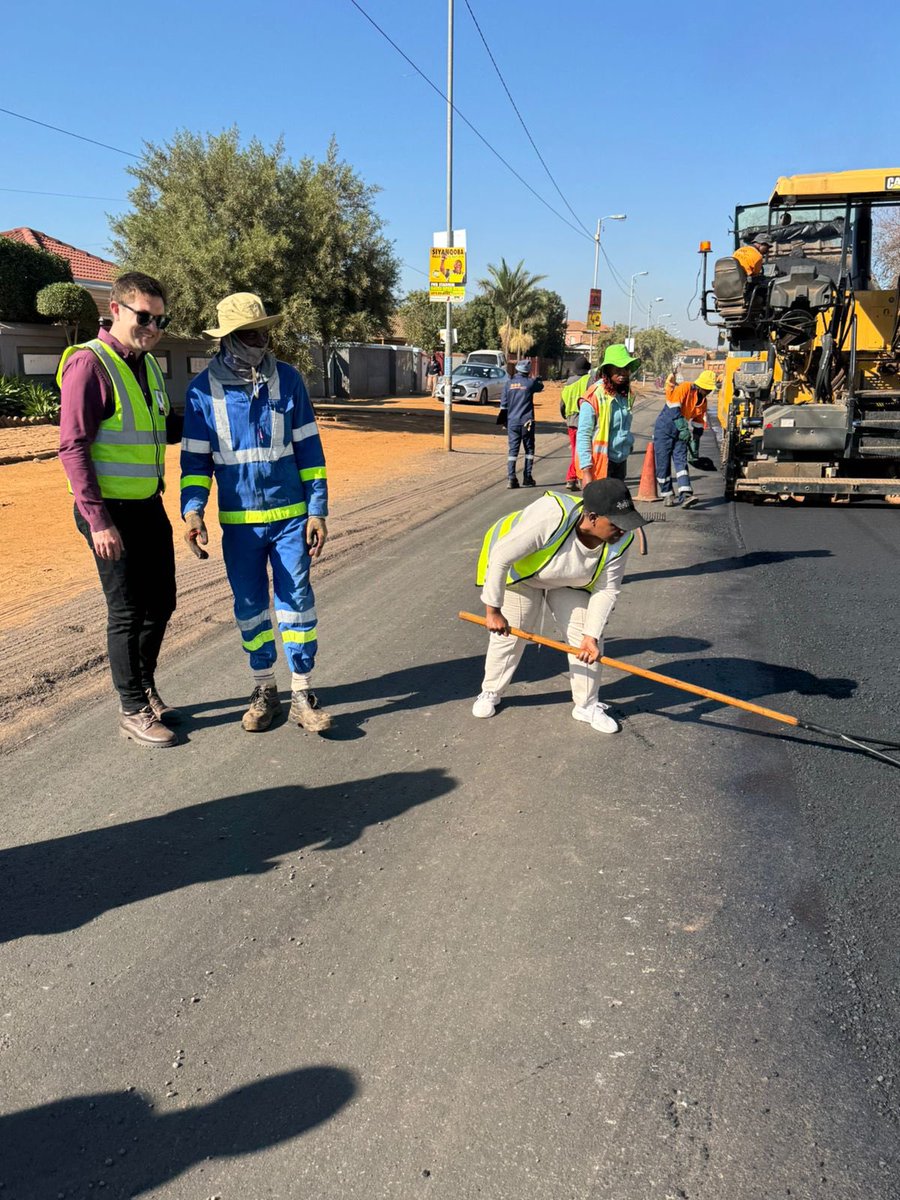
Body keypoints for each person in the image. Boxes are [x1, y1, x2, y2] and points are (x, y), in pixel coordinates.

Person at [180, 293, 331, 734]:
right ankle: (265, 688)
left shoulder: (288, 380)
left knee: (297, 603)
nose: (261, 340)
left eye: (264, 331)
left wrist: (317, 510)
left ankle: (302, 691)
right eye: (250, 334)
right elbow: (194, 462)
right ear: (228, 339)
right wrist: (193, 511)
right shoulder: (201, 391)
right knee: (250, 607)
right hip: (240, 526)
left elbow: (309, 449)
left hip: (291, 520)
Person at [58, 271, 180, 748]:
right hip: (109, 512)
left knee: (163, 602)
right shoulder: (90, 364)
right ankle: (132, 709)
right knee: (127, 611)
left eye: (160, 319)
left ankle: (145, 686)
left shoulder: (147, 365)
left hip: (148, 504)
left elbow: (163, 429)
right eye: (143, 316)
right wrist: (98, 519)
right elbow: (72, 447)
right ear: (116, 310)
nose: (151, 326)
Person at [471, 478, 646, 734]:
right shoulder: (551, 516)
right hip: (525, 577)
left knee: (587, 641)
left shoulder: (620, 541)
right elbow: (500, 557)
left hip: (568, 582)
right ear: (593, 517)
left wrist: (591, 636)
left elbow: (606, 589)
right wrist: (493, 611)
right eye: (617, 524)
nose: (623, 530)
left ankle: (586, 705)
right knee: (509, 635)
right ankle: (490, 691)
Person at [576, 344, 639, 484]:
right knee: (601, 505)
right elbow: (584, 434)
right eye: (617, 369)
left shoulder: (624, 395)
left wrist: (628, 442)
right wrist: (586, 471)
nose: (623, 373)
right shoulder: (594, 396)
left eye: (626, 368)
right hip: (600, 465)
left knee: (618, 504)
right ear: (607, 370)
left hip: (620, 462)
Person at [654, 369, 717, 507]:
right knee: (663, 464)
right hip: (664, 429)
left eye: (710, 390)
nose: (708, 392)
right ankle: (667, 494)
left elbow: (698, 422)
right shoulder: (685, 388)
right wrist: (683, 428)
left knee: (681, 463)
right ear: (700, 386)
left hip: (680, 433)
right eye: (707, 389)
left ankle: (686, 495)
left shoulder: (703, 402)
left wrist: (696, 440)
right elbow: (673, 409)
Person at [499, 359, 543, 488]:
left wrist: (504, 422)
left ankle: (511, 478)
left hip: (512, 422)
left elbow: (503, 406)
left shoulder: (508, 384)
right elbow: (540, 387)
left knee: (513, 451)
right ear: (528, 371)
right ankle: (527, 477)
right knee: (529, 449)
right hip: (526, 421)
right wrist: (537, 379)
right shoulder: (530, 383)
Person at [559, 355, 593, 491]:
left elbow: (562, 404)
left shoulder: (568, 383)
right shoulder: (589, 381)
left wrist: (566, 417)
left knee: (576, 450)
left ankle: (574, 478)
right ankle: (573, 477)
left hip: (571, 421)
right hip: (585, 421)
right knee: (582, 452)